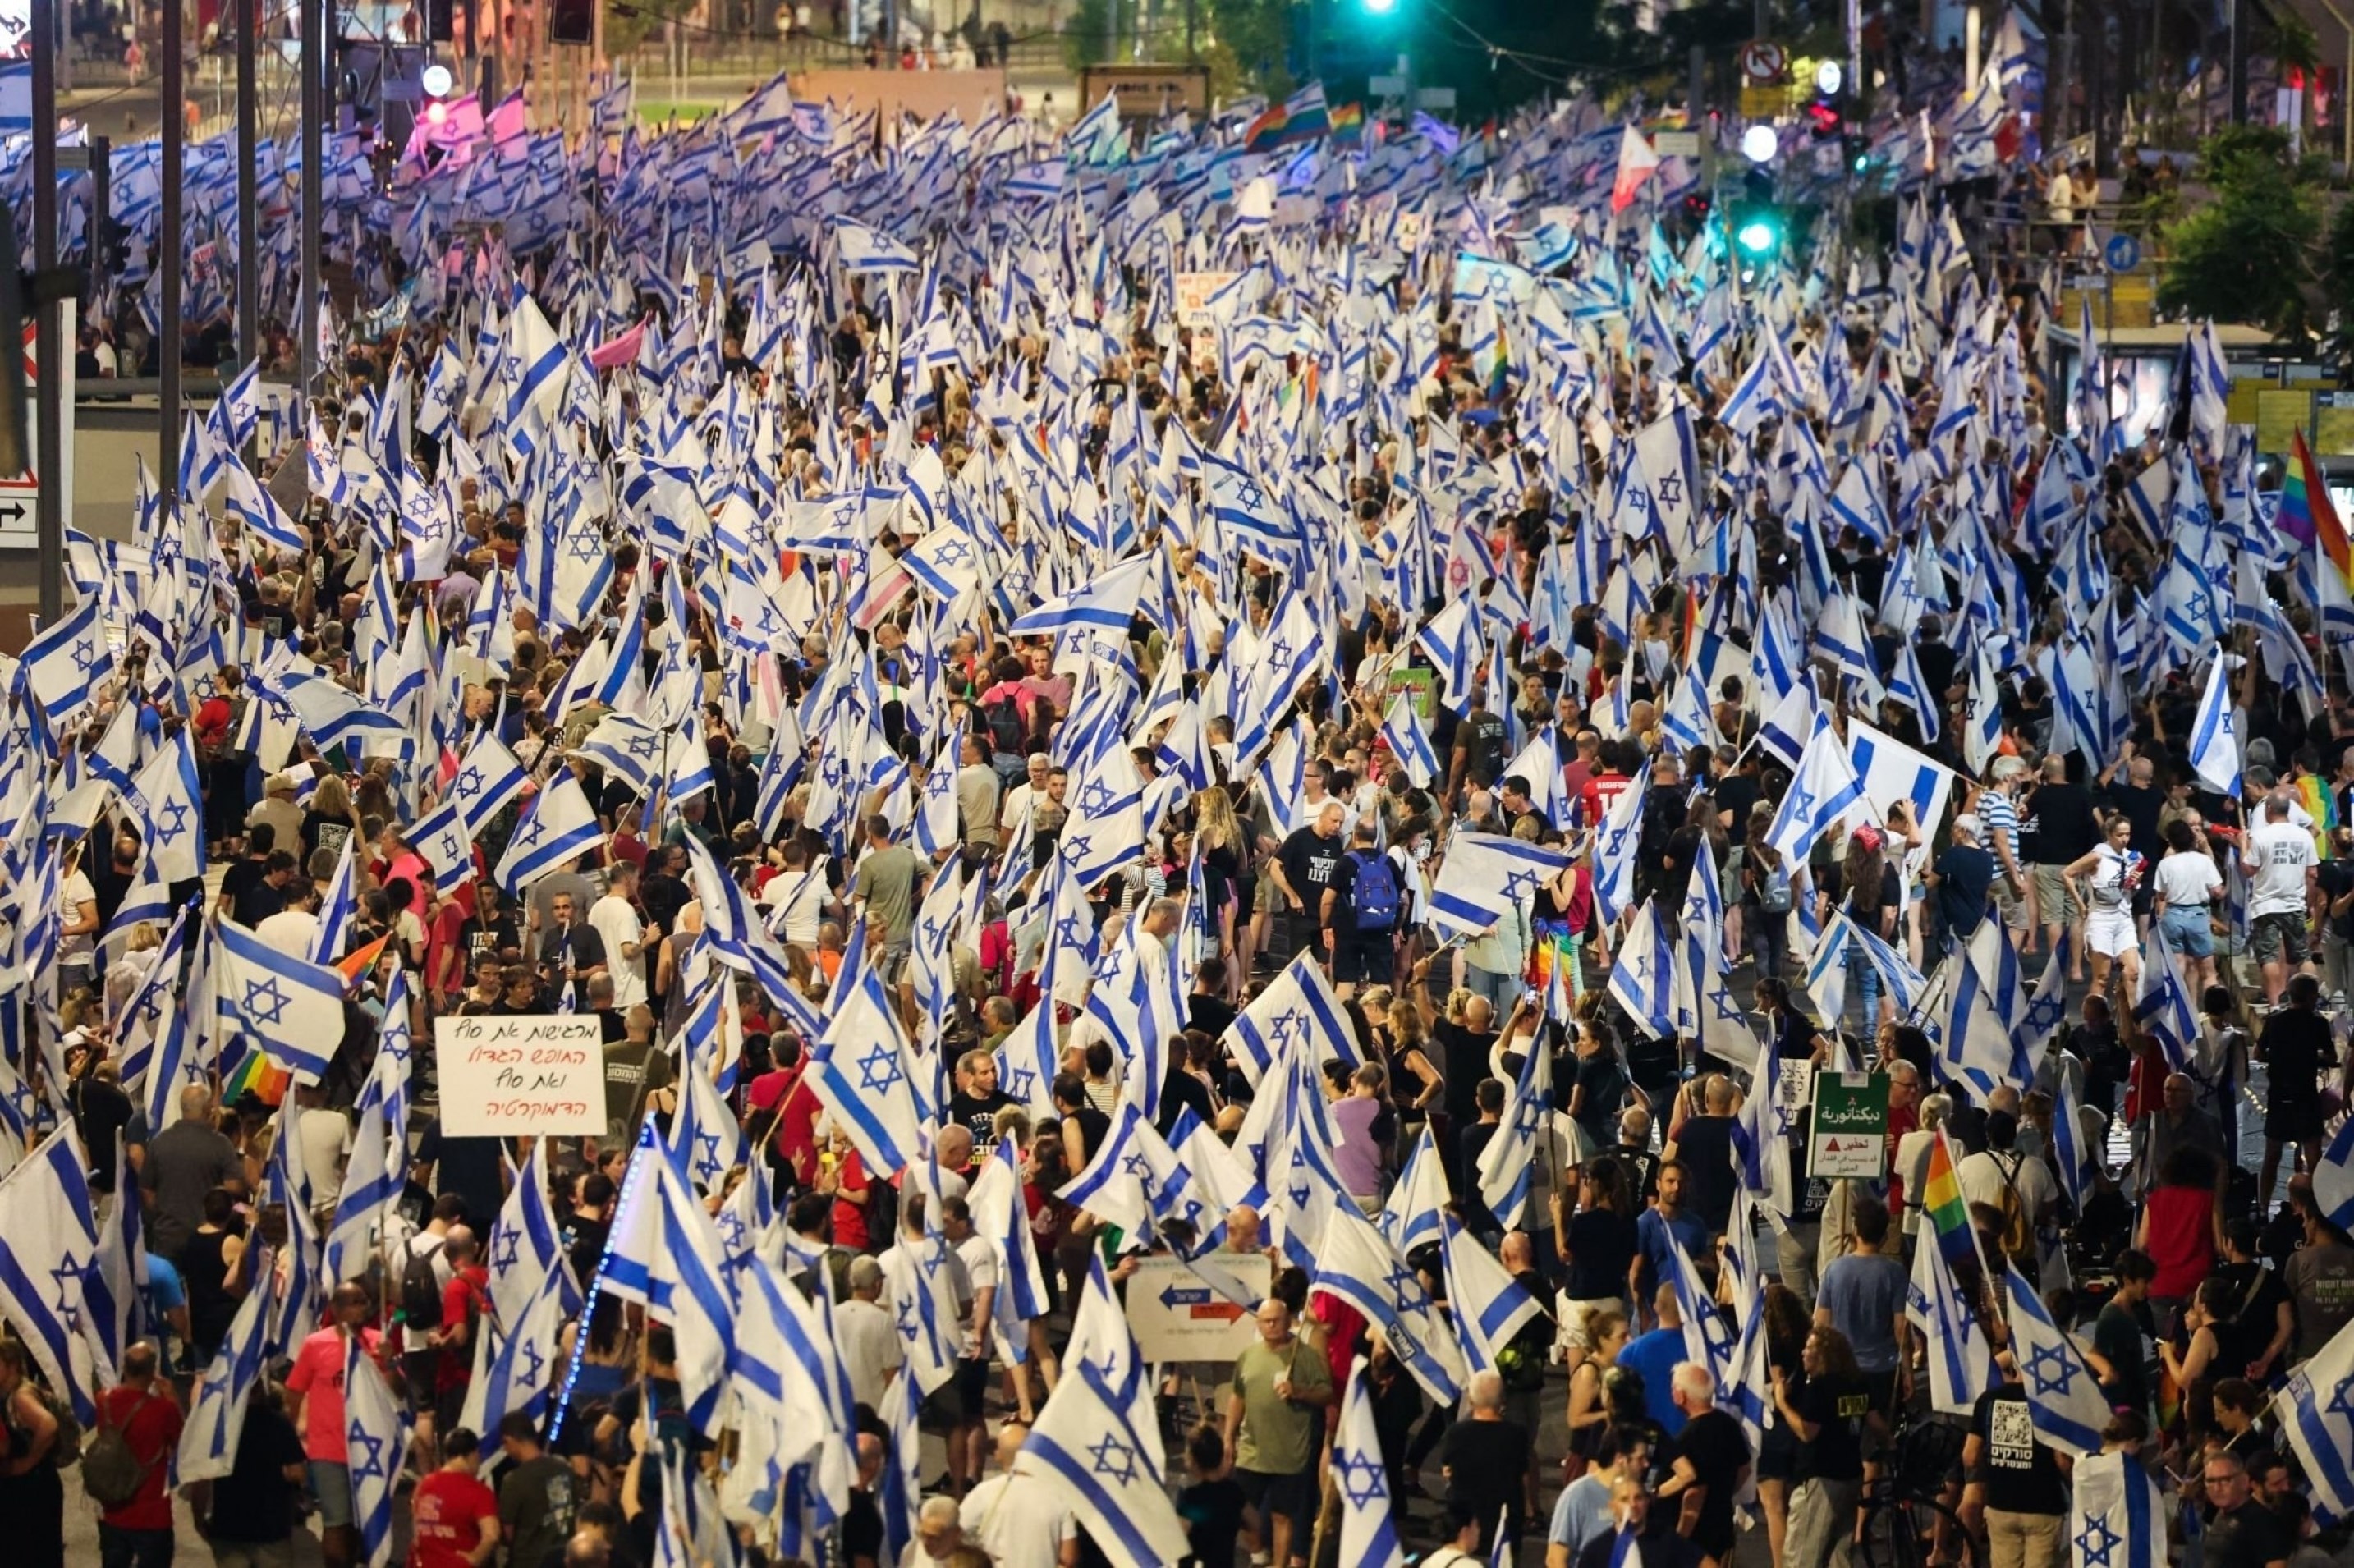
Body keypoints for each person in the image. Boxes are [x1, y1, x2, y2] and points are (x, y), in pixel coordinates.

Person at [1222, 1297, 1332, 1568]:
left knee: (1283, 1516)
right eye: (1266, 1321)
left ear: (1288, 1321)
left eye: (1277, 1320)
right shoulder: (1249, 1355)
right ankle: (1260, 1554)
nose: (1272, 1325)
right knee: (1236, 1508)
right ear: (1258, 1324)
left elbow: (1326, 1393)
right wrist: (1228, 1437)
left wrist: (1300, 1392)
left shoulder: (1305, 1355)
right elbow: (1238, 1397)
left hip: (1290, 1454)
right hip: (1252, 1450)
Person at [286, 1281, 385, 1568]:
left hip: (369, 1450)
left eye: (364, 1301)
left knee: (359, 1524)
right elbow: (294, 1393)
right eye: (353, 1302)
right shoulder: (315, 1345)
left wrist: (390, 1363)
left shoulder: (379, 1343)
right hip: (329, 1451)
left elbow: (398, 1395)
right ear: (337, 1309)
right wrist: (293, 1444)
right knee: (336, 1522)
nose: (361, 1308)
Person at [1774, 1327, 1872, 1568]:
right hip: (1851, 1476)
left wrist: (1781, 1403)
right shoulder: (1856, 1383)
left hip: (1822, 1481)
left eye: (1809, 1348)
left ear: (1823, 1354)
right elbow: (1875, 1421)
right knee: (1839, 1555)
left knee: (1802, 1556)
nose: (1803, 1352)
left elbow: (1807, 1432)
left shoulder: (1819, 1388)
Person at [1962, 1353, 2069, 1568]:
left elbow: (1970, 1456)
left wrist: (1997, 1467)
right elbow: (2061, 1460)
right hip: (2044, 1505)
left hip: (2001, 1504)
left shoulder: (1988, 1400)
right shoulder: (2052, 1403)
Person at [1813, 1195, 1910, 1417]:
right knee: (1880, 1426)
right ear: (1884, 1236)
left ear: (1855, 1231)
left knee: (1849, 1424)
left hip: (1843, 1369)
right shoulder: (1895, 1272)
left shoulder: (1834, 1270)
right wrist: (1907, 1371)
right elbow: (1901, 1329)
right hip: (1882, 1370)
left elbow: (1821, 1323)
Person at [93, 1341, 183, 1568]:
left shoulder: (103, 1401)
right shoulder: (163, 1409)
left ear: (125, 1368)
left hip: (113, 1510)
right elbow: (182, 1442)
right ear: (153, 1372)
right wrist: (171, 1397)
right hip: (152, 1516)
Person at [1654, 1364, 1750, 1568]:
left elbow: (1694, 1495)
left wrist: (1678, 1542)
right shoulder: (1728, 1424)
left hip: (1696, 1539)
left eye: (1673, 1388)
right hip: (1721, 1527)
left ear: (1680, 1395)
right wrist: (1721, 1495)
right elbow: (1745, 1469)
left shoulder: (1689, 1439)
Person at [2255, 973, 2330, 1212]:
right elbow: (2331, 1055)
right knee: (2313, 1155)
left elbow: (2258, 1053)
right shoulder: (2317, 1023)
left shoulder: (2274, 1021)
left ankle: (2263, 1206)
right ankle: (2317, 1208)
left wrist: (2278, 1057)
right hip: (2305, 1095)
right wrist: (2313, 1057)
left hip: (2279, 1095)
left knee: (2272, 1155)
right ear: (2312, 996)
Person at [960, 1423, 1079, 1566]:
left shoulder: (983, 1493)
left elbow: (956, 1533)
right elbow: (1068, 1558)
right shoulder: (1059, 1495)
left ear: (998, 1455)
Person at [1439, 1369, 1530, 1555]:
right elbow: (1523, 1475)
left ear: (1471, 1400)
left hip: (1465, 1522)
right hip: (1505, 1523)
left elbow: (1447, 1469)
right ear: (1502, 1400)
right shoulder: (1517, 1435)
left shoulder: (1456, 1434)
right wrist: (1528, 1507)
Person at [0, 1339, 66, 1568]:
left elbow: (48, 1425)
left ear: (11, 1365)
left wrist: (27, 1462)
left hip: (33, 1489)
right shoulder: (11, 1392)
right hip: (35, 1485)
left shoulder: (21, 1397)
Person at [496, 1410, 577, 1568]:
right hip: (564, 1558)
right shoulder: (564, 1469)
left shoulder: (514, 1481)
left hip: (529, 1562)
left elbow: (508, 1532)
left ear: (508, 1440)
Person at [411, 1427, 501, 1567]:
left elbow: (416, 1529)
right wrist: (474, 1558)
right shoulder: (478, 1491)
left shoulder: (423, 1486)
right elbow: (492, 1535)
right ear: (473, 1455)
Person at [2201, 1451, 2293, 1568]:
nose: (2217, 1488)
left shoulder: (2263, 1523)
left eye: (2225, 1480)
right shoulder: (2223, 1513)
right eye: (2210, 1481)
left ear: (2244, 1481)